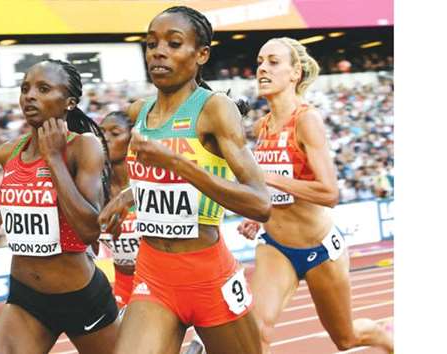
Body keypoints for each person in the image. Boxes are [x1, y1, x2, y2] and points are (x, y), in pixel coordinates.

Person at [98, 6, 271, 354]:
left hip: (208, 274)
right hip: (154, 275)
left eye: (174, 44)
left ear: (201, 54)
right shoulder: (139, 112)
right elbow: (157, 179)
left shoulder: (214, 110)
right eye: (151, 44)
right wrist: (128, 195)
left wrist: (178, 163)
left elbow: (260, 202)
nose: (158, 51)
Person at [237, 37, 393, 353]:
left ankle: (386, 338)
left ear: (295, 73)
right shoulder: (261, 127)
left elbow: (329, 193)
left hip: (319, 248)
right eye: (260, 62)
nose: (263, 68)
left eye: (273, 62)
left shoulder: (307, 120)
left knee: (345, 338)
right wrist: (256, 213)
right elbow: (269, 188)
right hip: (275, 246)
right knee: (258, 330)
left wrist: (271, 178)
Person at [0, 59, 119, 354]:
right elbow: (37, 206)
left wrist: (54, 158)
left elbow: (90, 229)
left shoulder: (83, 146)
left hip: (80, 298)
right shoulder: (9, 152)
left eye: (43, 89)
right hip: (26, 297)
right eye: (25, 88)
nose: (29, 95)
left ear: (69, 102)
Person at [97, 111, 139, 310]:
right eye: (101, 132)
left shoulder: (147, 178)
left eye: (115, 133)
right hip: (124, 282)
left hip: (159, 279)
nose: (105, 138)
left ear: (132, 138)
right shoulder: (94, 186)